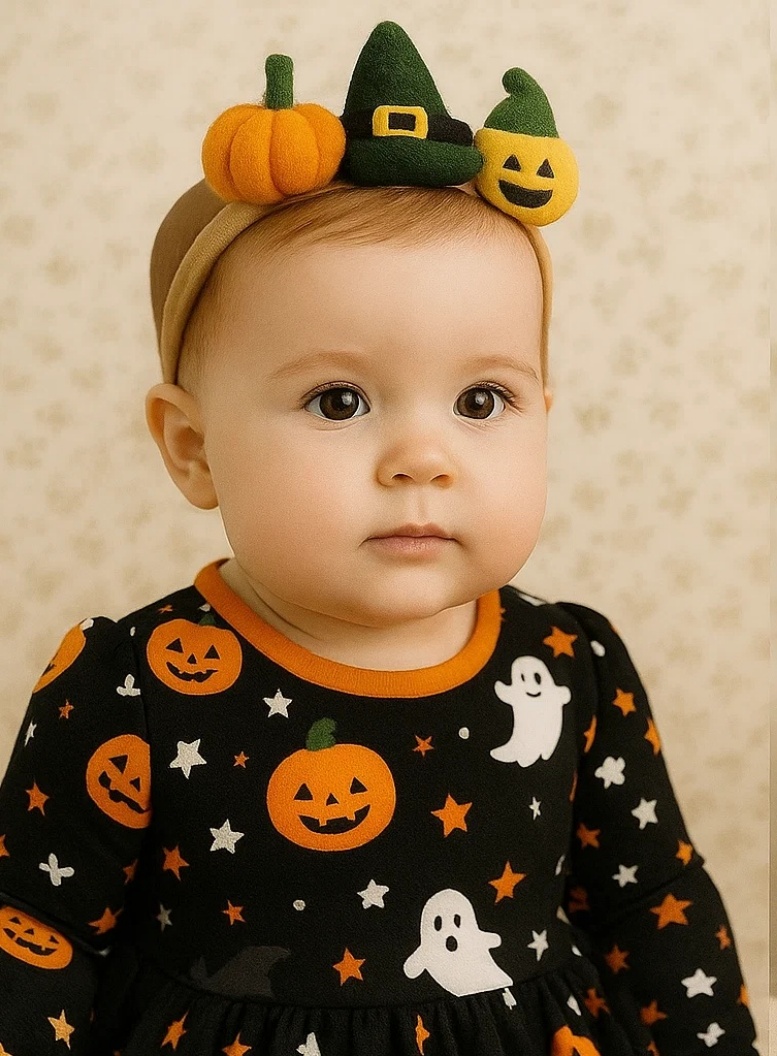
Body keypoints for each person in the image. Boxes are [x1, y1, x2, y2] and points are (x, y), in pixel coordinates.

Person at [0, 20, 759, 1056]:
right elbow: (33, 937)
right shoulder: (129, 686)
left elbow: (653, 910)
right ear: (193, 450)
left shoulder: (572, 667)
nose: (422, 457)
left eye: (483, 399)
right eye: (339, 398)